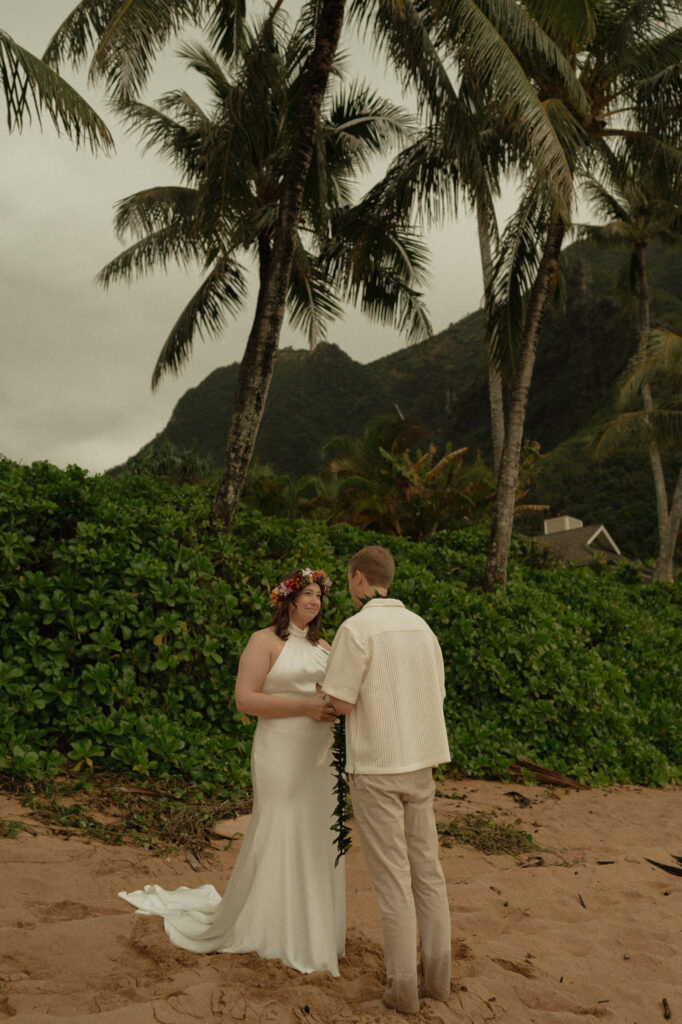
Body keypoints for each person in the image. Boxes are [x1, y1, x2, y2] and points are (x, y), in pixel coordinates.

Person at [118, 567, 345, 976]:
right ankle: (268, 927)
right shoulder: (263, 641)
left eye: (319, 595)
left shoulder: (324, 646)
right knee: (279, 825)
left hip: (318, 757)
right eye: (307, 593)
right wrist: (305, 707)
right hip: (279, 749)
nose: (314, 601)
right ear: (287, 599)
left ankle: (308, 927)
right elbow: (245, 700)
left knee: (313, 833)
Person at [321, 545, 451, 1013]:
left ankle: (401, 992)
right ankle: (438, 983)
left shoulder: (356, 629)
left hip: (377, 766)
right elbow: (436, 692)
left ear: (358, 579)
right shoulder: (422, 627)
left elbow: (340, 703)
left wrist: (323, 692)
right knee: (428, 877)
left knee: (395, 883)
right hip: (420, 764)